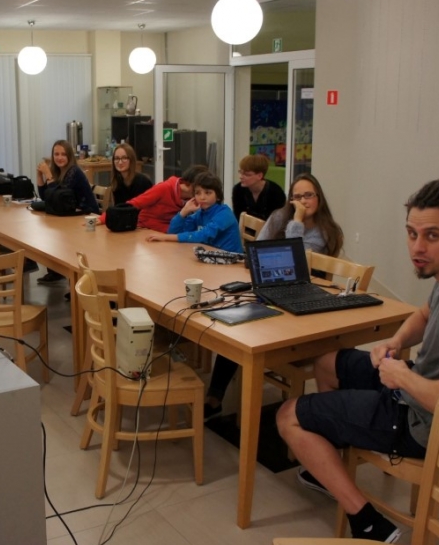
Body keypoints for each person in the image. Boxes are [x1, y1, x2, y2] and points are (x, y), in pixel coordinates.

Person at [276, 177, 439, 545]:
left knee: (288, 416)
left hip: (430, 425)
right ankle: (327, 463)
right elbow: (424, 313)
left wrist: (402, 377)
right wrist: (396, 341)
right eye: (412, 234)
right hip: (431, 394)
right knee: (326, 362)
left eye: (432, 236)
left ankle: (368, 522)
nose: (417, 248)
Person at [203, 173, 344, 417]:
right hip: (271, 288)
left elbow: (294, 259)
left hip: (304, 302)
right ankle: (215, 395)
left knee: (251, 327)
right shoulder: (279, 217)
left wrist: (297, 220)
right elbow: (256, 250)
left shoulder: (325, 231)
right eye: (297, 197)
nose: (302, 201)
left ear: (319, 198)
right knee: (238, 324)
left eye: (308, 195)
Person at [36, 139, 99, 284]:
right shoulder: (58, 171)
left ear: (69, 156)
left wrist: (48, 176)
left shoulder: (74, 172)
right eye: (56, 154)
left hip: (87, 217)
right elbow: (46, 197)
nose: (59, 158)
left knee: (59, 234)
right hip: (70, 215)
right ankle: (56, 270)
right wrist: (39, 176)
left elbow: (59, 199)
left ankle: (76, 282)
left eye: (63, 154)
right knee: (50, 231)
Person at [146, 172, 243, 252]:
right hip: (211, 255)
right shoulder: (199, 213)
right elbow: (173, 232)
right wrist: (183, 212)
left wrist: (165, 237)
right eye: (198, 193)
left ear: (218, 196)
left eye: (208, 193)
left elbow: (202, 235)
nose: (202, 197)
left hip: (231, 259)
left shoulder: (224, 213)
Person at [99, 164, 207, 233]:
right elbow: (135, 203)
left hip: (171, 231)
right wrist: (103, 218)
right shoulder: (164, 188)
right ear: (190, 184)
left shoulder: (195, 198)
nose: (203, 195)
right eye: (201, 189)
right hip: (147, 228)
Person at [231, 153, 286, 223]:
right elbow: (238, 218)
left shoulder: (276, 192)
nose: (241, 177)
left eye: (247, 174)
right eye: (241, 172)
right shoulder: (238, 190)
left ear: (260, 176)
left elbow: (277, 222)